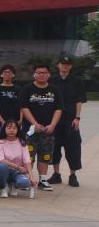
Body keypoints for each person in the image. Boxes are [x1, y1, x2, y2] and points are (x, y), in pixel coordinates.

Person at [20, 63, 63, 191]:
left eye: (44, 72)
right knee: (29, 155)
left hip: (48, 129)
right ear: (34, 74)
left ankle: (43, 180)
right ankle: (27, 178)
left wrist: (53, 125)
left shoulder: (55, 89)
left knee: (45, 155)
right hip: (30, 130)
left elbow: (59, 109)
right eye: (38, 72)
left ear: (49, 75)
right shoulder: (27, 89)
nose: (41, 75)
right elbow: (24, 107)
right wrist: (34, 124)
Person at [50, 56, 86, 187]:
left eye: (68, 64)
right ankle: (56, 174)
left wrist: (77, 118)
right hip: (55, 121)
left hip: (70, 121)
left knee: (73, 148)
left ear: (71, 66)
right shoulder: (52, 80)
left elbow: (79, 100)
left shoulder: (76, 81)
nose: (65, 66)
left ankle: (73, 175)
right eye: (63, 64)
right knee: (54, 148)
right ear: (58, 65)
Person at [0, 119, 36, 198]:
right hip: (5, 170)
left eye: (14, 128)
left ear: (18, 130)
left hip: (18, 172)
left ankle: (13, 184)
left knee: (25, 183)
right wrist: (18, 167)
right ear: (4, 129)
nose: (11, 130)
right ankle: (3, 187)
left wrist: (31, 176)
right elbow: (1, 160)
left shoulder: (22, 142)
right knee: (2, 166)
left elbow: (27, 160)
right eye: (9, 128)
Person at [0, 65, 21, 134]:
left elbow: (22, 106)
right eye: (5, 72)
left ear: (13, 75)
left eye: (9, 72)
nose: (7, 74)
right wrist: (2, 121)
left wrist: (20, 120)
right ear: (1, 75)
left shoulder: (18, 89)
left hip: (15, 122)